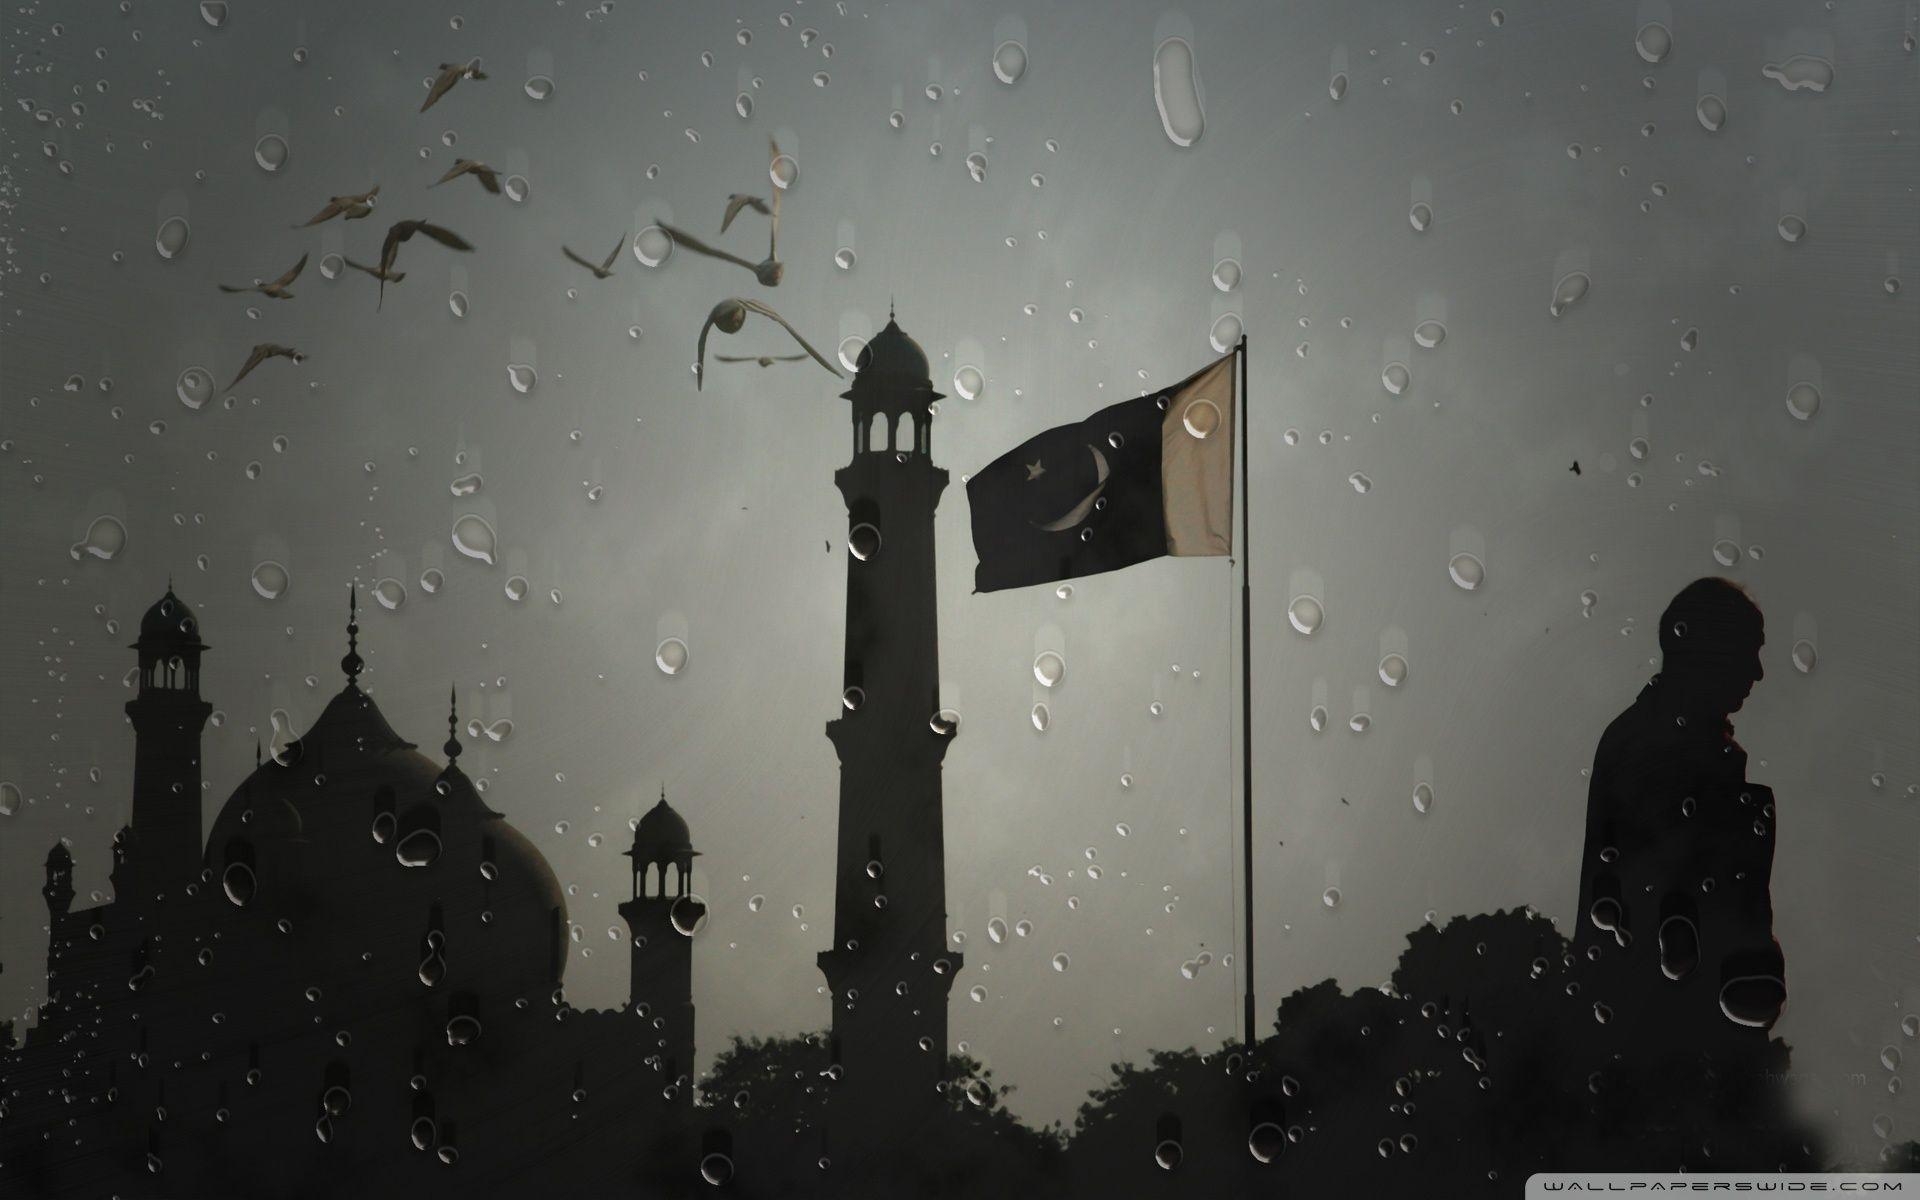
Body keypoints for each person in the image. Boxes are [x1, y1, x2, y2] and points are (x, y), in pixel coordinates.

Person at [1573, 577, 1786, 1039]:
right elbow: (1659, 895)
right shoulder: (1650, 744)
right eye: (1749, 650)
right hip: (1651, 1036)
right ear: (1707, 649)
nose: (1758, 672)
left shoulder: (1660, 740)